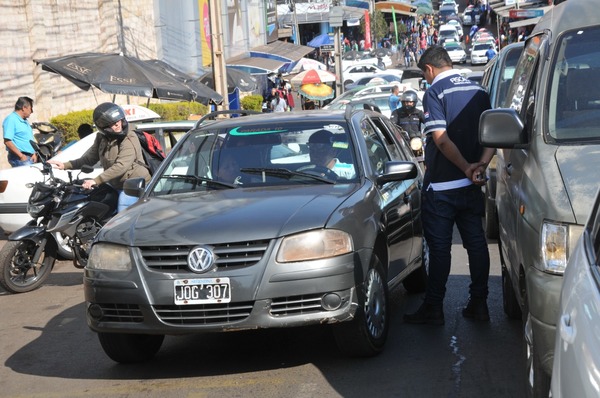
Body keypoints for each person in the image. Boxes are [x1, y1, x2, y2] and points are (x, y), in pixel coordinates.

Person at [403, 45, 495, 325]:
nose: (426, 79)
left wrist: (466, 167)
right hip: (471, 186)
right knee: (477, 244)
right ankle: (479, 304)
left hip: (442, 188)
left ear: (429, 69)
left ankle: (434, 309)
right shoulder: (479, 91)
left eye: (424, 74)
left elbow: (441, 140)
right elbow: (492, 135)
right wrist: (479, 165)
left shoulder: (434, 93)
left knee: (440, 249)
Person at [48, 102, 151, 212]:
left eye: (119, 121)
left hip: (133, 186)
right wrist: (65, 165)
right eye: (113, 123)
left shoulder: (129, 137)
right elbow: (89, 159)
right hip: (114, 183)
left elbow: (121, 166)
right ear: (103, 127)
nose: (118, 125)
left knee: (122, 218)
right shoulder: (101, 137)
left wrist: (96, 180)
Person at [3, 96, 37, 167]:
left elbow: (28, 138)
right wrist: (21, 156)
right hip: (19, 158)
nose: (32, 111)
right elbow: (7, 141)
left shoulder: (24, 120)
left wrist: (33, 153)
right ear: (24, 108)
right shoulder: (11, 119)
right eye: (31, 108)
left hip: (29, 157)